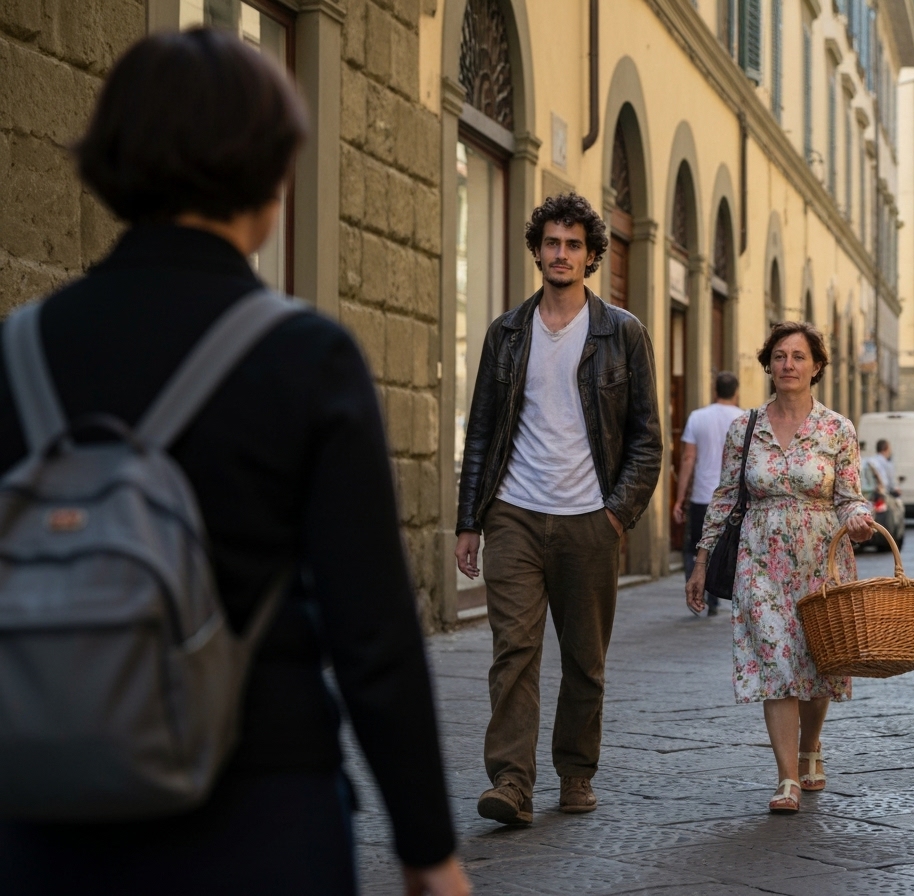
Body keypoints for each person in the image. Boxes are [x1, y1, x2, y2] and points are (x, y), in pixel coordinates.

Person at [0, 30, 467, 896]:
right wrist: (428, 849)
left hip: (40, 812)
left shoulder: (18, 351)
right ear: (269, 172)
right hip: (257, 809)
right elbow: (373, 632)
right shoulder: (306, 356)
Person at [454, 192, 663, 826]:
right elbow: (483, 431)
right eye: (552, 242)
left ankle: (575, 771)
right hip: (513, 512)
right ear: (537, 250)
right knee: (512, 650)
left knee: (584, 659)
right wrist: (470, 520)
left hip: (588, 519)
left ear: (592, 255)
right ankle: (512, 782)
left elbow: (647, 438)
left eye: (574, 244)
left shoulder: (621, 332)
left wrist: (615, 514)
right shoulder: (506, 333)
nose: (561, 253)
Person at [684, 322, 873, 814]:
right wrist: (701, 561)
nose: (788, 364)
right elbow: (725, 499)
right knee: (775, 662)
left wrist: (859, 520)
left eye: (799, 356)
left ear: (816, 367)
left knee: (817, 662)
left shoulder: (838, 429)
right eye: (780, 356)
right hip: (759, 560)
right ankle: (787, 777)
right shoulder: (744, 427)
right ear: (768, 364)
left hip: (822, 560)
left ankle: (812, 746)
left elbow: (849, 497)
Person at [673, 371, 744, 616]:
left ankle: (696, 594)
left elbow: (688, 458)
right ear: (736, 392)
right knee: (723, 547)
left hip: (703, 495)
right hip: (732, 500)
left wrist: (680, 498)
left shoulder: (697, 417)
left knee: (695, 547)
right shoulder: (745, 418)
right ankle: (714, 597)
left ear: (715, 390)